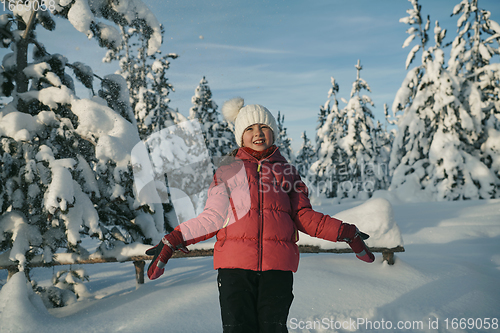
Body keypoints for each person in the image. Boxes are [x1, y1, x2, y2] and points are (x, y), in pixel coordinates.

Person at [145, 97, 375, 333]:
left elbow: (304, 216)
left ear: (273, 133)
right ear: (240, 136)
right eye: (250, 128)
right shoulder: (227, 171)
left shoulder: (287, 172)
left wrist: (345, 232)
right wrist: (174, 239)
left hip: (277, 269)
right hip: (234, 269)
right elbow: (212, 218)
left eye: (264, 126)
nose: (258, 133)